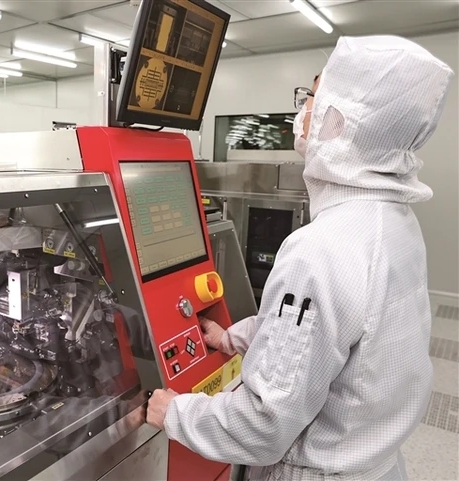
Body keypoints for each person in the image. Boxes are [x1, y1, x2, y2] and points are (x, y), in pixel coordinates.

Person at [146, 35, 454, 480]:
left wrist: (175, 413)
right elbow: (328, 335)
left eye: (311, 97)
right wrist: (232, 338)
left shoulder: (320, 250)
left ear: (337, 121)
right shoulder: (394, 224)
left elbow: (263, 426)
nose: (302, 110)